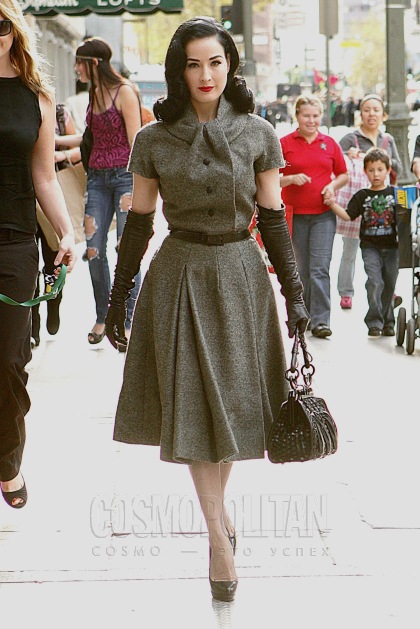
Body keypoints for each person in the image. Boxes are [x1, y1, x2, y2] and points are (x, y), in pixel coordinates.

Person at [104, 16, 309, 602]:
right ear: (179, 70)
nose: (205, 75)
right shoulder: (152, 139)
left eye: (215, 62)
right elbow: (140, 222)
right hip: (179, 277)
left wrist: (295, 294)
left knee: (234, 406)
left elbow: (273, 218)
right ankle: (219, 538)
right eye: (193, 64)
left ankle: (218, 519)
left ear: (230, 65)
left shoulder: (259, 133)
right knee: (194, 405)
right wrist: (119, 296)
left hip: (242, 275)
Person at [0, 0, 76, 508]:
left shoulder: (37, 98)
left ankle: (7, 460)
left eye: (0, 24)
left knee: (10, 361)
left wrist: (66, 232)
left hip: (13, 242)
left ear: (14, 29)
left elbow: (44, 176)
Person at [74, 37, 142, 346]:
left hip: (125, 178)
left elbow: (136, 140)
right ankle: (103, 316)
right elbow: (90, 138)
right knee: (93, 249)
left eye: (80, 63)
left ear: (94, 63)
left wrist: (142, 185)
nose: (77, 69)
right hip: (96, 180)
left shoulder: (124, 91)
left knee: (126, 249)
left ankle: (126, 319)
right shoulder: (93, 92)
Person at [280, 95, 348, 338]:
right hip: (295, 216)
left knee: (319, 268)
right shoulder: (284, 143)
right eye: (306, 115)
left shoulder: (329, 143)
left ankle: (321, 321)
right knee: (301, 269)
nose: (311, 120)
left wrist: (332, 187)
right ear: (297, 116)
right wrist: (290, 178)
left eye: (315, 116)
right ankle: (303, 315)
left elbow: (343, 174)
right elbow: (269, 177)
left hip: (323, 215)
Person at [326, 148, 402, 336]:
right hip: (370, 247)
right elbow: (348, 215)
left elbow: (406, 214)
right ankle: (374, 321)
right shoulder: (362, 195)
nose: (376, 174)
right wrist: (332, 204)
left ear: (388, 170)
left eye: (380, 170)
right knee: (375, 282)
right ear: (365, 171)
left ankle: (388, 321)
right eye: (371, 170)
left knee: (389, 284)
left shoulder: (396, 193)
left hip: (392, 247)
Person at [337, 94, 402, 309]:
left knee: (383, 249)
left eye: (375, 110)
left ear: (383, 114)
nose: (371, 114)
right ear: (361, 113)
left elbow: (398, 168)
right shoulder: (350, 138)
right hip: (358, 200)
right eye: (366, 110)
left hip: (382, 204)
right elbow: (336, 162)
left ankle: (387, 290)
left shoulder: (388, 140)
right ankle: (346, 292)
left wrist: (383, 158)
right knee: (350, 248)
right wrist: (349, 153)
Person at [31, 104, 81, 347]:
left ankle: (53, 302)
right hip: (25, 201)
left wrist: (59, 155)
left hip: (50, 201)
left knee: (53, 263)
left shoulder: (59, 113)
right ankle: (33, 325)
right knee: (29, 267)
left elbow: (79, 147)